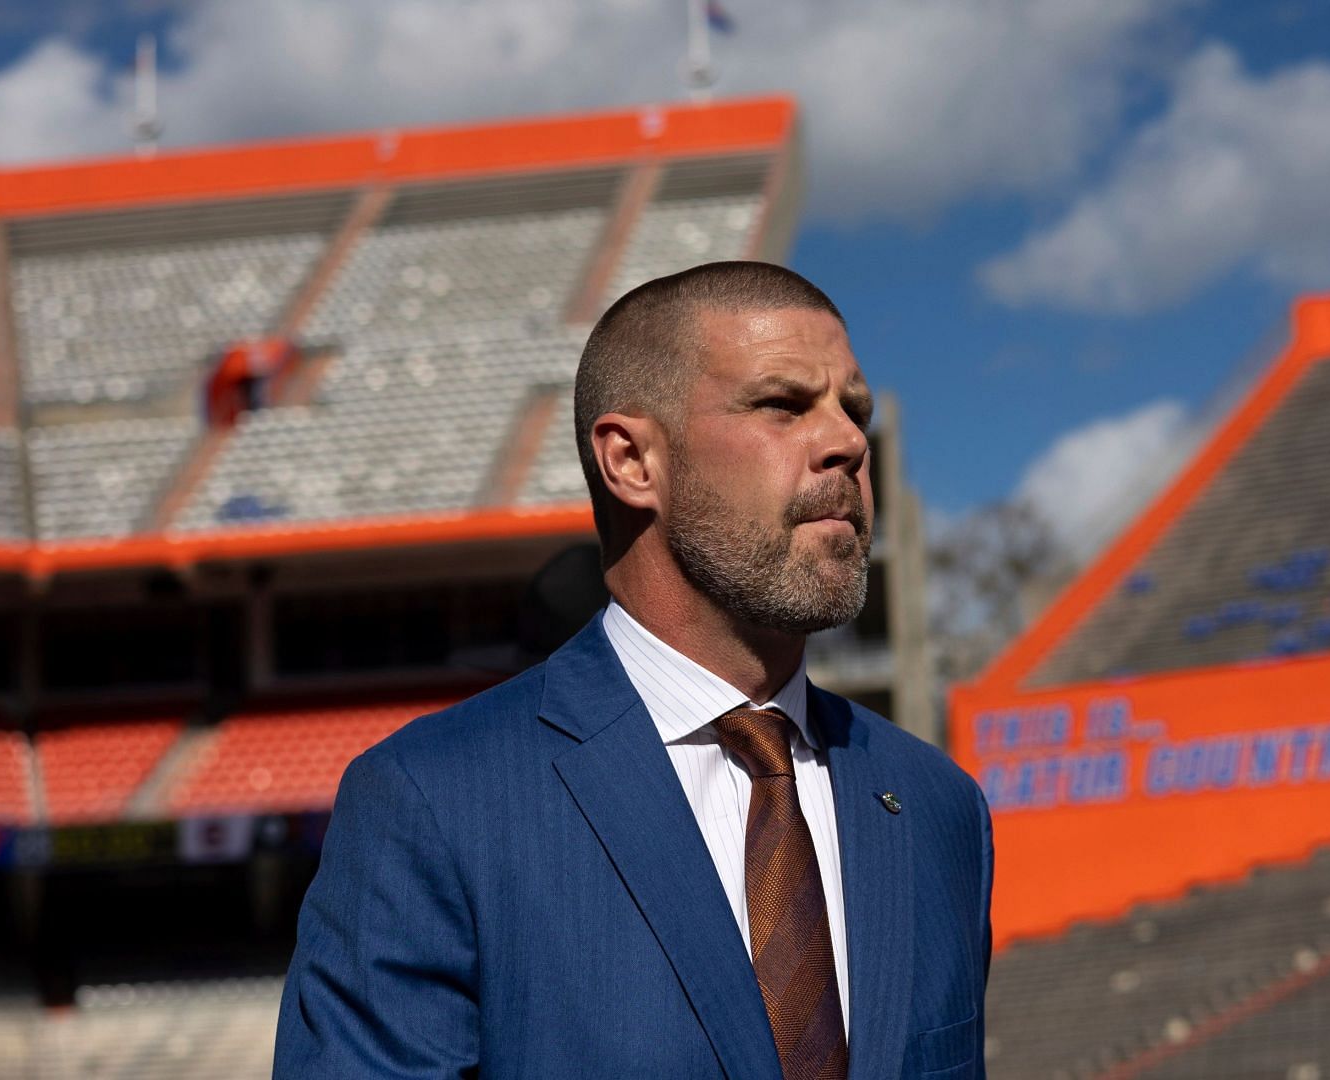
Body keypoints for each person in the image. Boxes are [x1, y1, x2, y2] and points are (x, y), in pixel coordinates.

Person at [273, 261, 993, 1079]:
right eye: (782, 405)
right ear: (632, 462)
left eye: (852, 409)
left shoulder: (939, 808)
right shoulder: (434, 802)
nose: (848, 441)